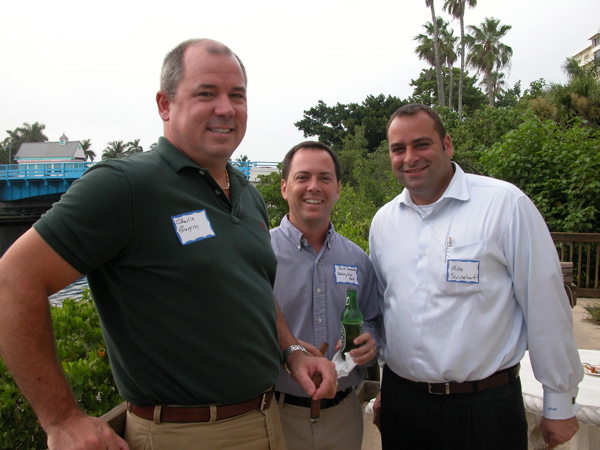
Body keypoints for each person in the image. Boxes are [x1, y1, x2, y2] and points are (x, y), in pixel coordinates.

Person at [0, 38, 337, 450]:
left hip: (267, 423)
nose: (226, 108)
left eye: (237, 96)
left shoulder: (247, 194)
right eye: (206, 94)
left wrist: (291, 350)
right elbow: (11, 282)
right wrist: (61, 419)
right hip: (183, 434)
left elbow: (253, 289)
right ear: (165, 105)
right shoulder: (125, 185)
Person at [369, 103, 583, 450]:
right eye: (398, 148)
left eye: (421, 144)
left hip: (485, 410)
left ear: (447, 145)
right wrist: (385, 391)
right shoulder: (384, 222)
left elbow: (545, 306)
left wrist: (558, 402)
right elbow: (385, 310)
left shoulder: (505, 205)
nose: (410, 157)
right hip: (404, 406)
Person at [270, 141, 382, 449]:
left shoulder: (358, 259)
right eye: (303, 177)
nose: (314, 187)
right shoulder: (259, 255)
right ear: (284, 187)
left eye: (325, 178)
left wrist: (371, 338)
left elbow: (373, 318)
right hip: (276, 413)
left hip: (344, 414)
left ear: (338, 188)